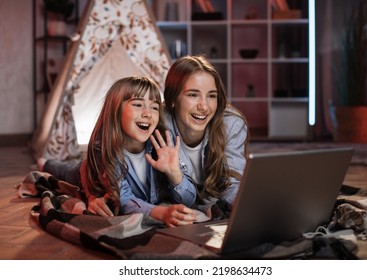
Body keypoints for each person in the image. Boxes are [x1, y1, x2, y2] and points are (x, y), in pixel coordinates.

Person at [39, 76, 198, 227]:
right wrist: (161, 213)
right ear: (115, 111)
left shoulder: (164, 144)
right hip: (86, 172)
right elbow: (125, 200)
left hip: (96, 169)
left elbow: (189, 200)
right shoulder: (102, 147)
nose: (148, 113)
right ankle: (45, 162)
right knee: (63, 169)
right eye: (137, 104)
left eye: (155, 107)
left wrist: (175, 173)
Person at [161, 55, 249, 214]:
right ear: (173, 98)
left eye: (211, 96)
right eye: (193, 95)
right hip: (174, 200)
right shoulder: (157, 122)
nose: (204, 106)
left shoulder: (231, 124)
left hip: (214, 200)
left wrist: (244, 205)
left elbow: (234, 182)